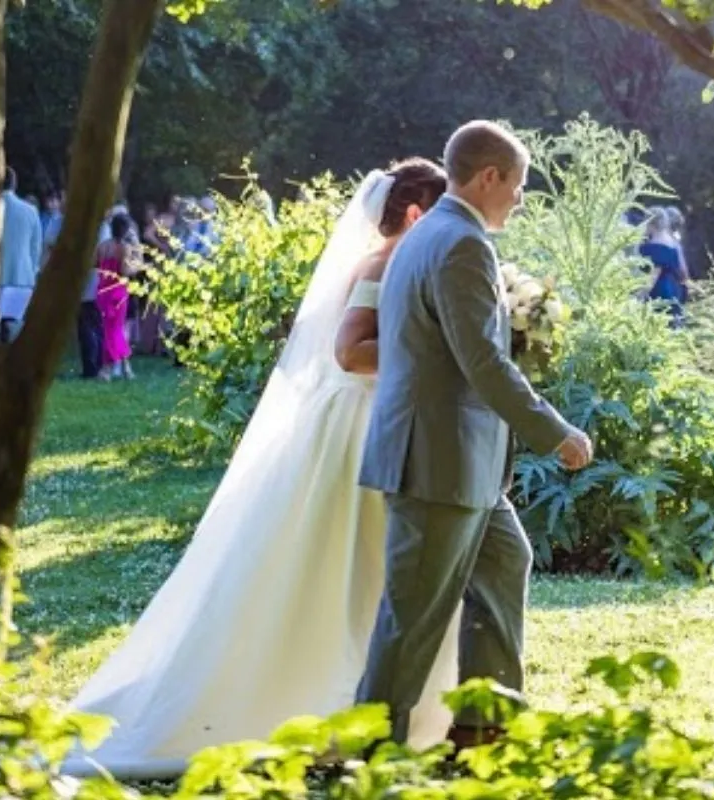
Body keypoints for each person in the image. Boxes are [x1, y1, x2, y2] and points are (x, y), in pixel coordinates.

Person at [64, 161, 454, 779]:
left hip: (373, 422)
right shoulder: (383, 264)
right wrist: (433, 353)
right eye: (440, 210)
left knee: (372, 567)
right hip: (356, 429)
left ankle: (378, 694)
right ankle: (337, 691)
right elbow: (350, 351)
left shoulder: (403, 262)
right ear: (414, 214)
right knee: (347, 563)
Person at [355, 121, 593, 749]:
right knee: (412, 619)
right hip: (437, 462)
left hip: (468, 465)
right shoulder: (460, 243)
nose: (519, 198)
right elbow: (482, 363)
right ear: (489, 177)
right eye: (517, 185)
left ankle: (484, 731)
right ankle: (370, 755)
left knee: (506, 559)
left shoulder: (434, 232)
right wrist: (555, 431)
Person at [0, 168, 44, 342]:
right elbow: (36, 247)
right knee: (14, 330)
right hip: (22, 276)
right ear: (14, 184)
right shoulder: (30, 211)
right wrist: (33, 269)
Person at [95, 214, 142, 380]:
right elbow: (125, 271)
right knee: (116, 331)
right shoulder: (124, 248)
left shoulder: (102, 246)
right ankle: (108, 369)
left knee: (110, 330)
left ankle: (122, 368)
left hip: (103, 290)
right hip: (118, 291)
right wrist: (138, 265)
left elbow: (95, 264)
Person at [638, 207, 688, 325]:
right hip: (673, 291)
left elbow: (652, 277)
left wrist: (639, 297)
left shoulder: (655, 246)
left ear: (649, 223)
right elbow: (683, 273)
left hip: (658, 293)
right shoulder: (674, 245)